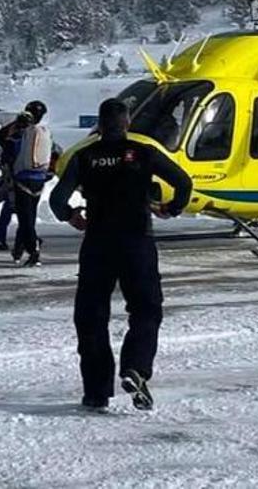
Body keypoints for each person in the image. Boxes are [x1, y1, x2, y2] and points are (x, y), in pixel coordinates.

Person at [50, 98, 193, 412]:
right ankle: (136, 367)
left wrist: (70, 215)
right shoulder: (144, 153)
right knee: (146, 310)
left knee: (91, 317)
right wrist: (171, 208)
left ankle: (96, 392)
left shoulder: (84, 157)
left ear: (100, 126)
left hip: (98, 244)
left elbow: (57, 199)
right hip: (136, 241)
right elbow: (183, 182)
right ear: (127, 123)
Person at [10, 100, 54, 267]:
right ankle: (20, 248)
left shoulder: (22, 132)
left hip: (22, 179)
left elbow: (6, 145)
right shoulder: (44, 132)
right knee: (29, 217)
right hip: (39, 179)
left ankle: (32, 248)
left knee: (24, 218)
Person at [0, 110, 32, 251]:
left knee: (9, 207)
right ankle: (26, 238)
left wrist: (13, 125)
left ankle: (1, 237)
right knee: (25, 210)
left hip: (11, 177)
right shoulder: (29, 140)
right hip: (24, 178)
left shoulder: (10, 139)